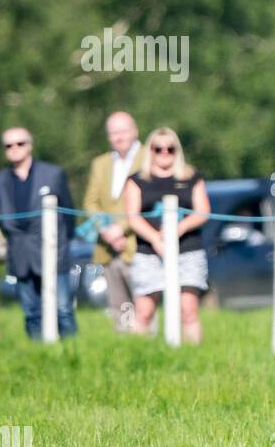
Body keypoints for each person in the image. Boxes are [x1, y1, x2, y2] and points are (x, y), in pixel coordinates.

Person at [122, 128, 210, 343]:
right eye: (158, 148)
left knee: (188, 309)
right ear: (150, 150)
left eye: (170, 148)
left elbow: (203, 211)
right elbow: (132, 217)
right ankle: (136, 358)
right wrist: (156, 239)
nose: (164, 152)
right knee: (144, 311)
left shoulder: (191, 177)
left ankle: (195, 357)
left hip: (188, 249)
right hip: (149, 251)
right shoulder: (136, 180)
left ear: (176, 150)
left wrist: (179, 228)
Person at [0, 127, 77, 339]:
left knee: (63, 310)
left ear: (29, 145)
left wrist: (61, 244)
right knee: (31, 313)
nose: (14, 148)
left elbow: (69, 215)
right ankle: (37, 354)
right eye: (9, 145)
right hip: (20, 254)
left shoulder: (53, 174)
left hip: (54, 252)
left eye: (19, 143)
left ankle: (72, 354)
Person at [83, 111, 146, 330]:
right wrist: (107, 231)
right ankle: (126, 351)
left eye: (123, 131)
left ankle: (151, 349)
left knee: (144, 303)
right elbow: (90, 203)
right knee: (119, 306)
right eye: (113, 133)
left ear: (135, 131)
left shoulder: (149, 158)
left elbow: (150, 201)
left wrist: (120, 229)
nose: (118, 137)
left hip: (139, 243)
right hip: (108, 247)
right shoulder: (100, 164)